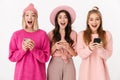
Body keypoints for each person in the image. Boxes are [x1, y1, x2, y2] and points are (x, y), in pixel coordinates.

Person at [8, 3, 50, 80]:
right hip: (21, 76)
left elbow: (46, 58)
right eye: (27, 15)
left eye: (33, 15)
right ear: (24, 17)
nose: (30, 17)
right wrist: (23, 49)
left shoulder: (43, 34)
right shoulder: (16, 35)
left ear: (36, 18)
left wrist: (34, 50)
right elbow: (11, 57)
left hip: (38, 76)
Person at [76, 6, 113, 80]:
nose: (94, 22)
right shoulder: (81, 34)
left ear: (100, 21)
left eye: (97, 19)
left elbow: (108, 54)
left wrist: (100, 49)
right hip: (86, 71)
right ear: (88, 21)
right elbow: (80, 54)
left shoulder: (107, 34)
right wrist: (89, 48)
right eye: (91, 19)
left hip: (101, 71)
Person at [47, 5, 77, 80]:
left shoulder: (73, 34)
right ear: (57, 20)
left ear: (68, 20)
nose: (62, 20)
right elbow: (47, 54)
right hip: (55, 63)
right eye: (60, 17)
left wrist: (68, 48)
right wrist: (55, 47)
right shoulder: (51, 34)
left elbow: (75, 54)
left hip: (69, 63)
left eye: (65, 17)